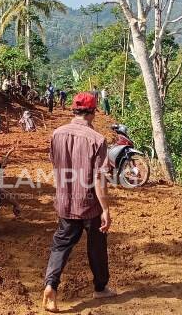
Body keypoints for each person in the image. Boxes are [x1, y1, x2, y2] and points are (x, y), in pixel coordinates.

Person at [42, 92, 116, 312]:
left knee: (60, 246)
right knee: (97, 246)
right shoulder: (97, 139)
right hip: (90, 204)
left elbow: (54, 163)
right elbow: (99, 179)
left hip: (65, 201)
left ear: (74, 110)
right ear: (93, 112)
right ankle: (100, 288)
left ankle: (51, 286)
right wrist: (106, 209)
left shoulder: (57, 134)